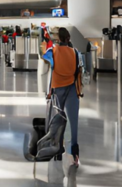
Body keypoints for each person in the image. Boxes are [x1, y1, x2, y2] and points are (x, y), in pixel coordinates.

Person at [48, 27, 83, 168]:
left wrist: (49, 91)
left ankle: (57, 150)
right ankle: (75, 155)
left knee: (58, 119)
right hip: (72, 89)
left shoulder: (52, 51)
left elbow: (49, 67)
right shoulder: (75, 52)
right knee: (73, 122)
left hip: (57, 88)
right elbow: (81, 70)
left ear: (59, 38)